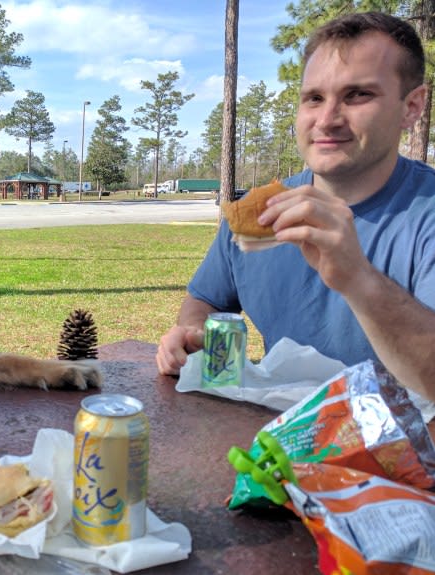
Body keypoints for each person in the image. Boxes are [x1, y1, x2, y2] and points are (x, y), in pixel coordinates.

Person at [155, 11, 435, 402]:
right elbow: (207, 300)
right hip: (278, 445)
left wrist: (358, 279)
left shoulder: (427, 216)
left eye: (358, 95)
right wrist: (194, 335)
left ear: (413, 107)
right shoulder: (257, 213)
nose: (327, 119)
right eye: (314, 98)